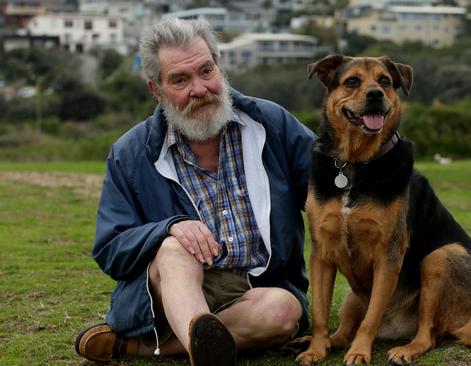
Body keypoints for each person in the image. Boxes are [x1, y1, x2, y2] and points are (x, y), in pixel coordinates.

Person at [75, 18, 315, 366]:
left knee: (283, 311)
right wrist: (168, 228)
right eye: (180, 80)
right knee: (174, 246)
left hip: (255, 290)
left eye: (206, 71)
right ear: (156, 90)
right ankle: (198, 340)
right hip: (170, 290)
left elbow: (330, 189)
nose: (200, 89)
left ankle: (141, 348)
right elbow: (110, 247)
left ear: (220, 67)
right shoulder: (129, 153)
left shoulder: (270, 123)